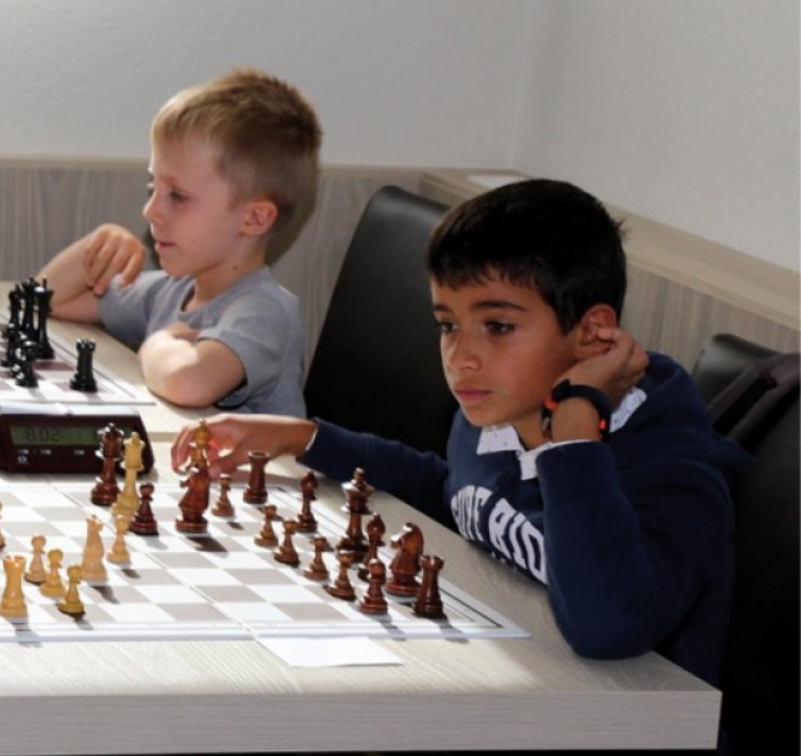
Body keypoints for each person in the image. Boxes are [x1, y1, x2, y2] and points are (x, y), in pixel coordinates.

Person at [173, 179, 749, 688]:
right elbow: (455, 493)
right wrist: (304, 438)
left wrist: (575, 434)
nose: (460, 357)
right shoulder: (500, 412)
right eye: (448, 325)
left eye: (497, 326)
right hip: (512, 680)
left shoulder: (671, 467)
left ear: (593, 334)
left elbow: (607, 626)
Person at [38, 68, 321, 416]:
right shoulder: (173, 290)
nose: (150, 211)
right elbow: (46, 300)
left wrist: (157, 344)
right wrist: (94, 248)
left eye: (178, 195)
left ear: (254, 218)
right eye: (152, 188)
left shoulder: (264, 313)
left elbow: (189, 382)